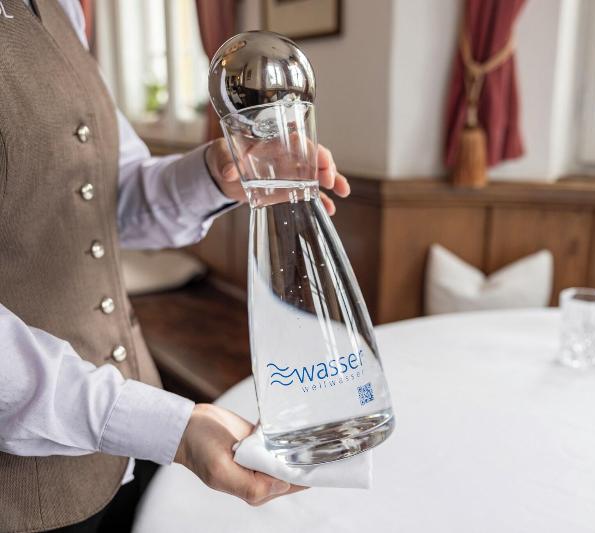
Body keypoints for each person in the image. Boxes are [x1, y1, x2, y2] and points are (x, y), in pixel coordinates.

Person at [0, 0, 350, 531]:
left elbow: (105, 196)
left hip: (129, 446)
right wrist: (166, 426)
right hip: (24, 495)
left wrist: (216, 173)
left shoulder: (62, 9)